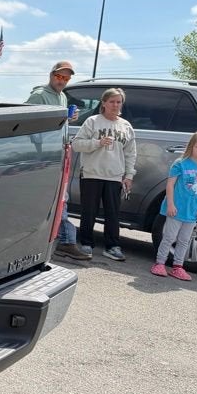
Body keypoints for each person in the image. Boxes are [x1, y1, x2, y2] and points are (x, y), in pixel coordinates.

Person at [26, 61, 89, 261]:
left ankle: (60, 241)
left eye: (66, 78)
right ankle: (62, 241)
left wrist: (68, 119)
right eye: (59, 76)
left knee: (58, 199)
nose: (62, 80)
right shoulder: (39, 95)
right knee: (53, 198)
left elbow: (56, 124)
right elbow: (30, 124)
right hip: (43, 155)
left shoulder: (61, 96)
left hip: (57, 153)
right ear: (51, 74)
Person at [71, 87, 136, 261]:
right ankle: (86, 244)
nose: (115, 105)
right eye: (112, 101)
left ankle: (112, 246)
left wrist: (129, 175)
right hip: (92, 173)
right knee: (89, 212)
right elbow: (76, 144)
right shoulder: (92, 121)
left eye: (119, 101)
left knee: (113, 214)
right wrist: (97, 142)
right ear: (104, 103)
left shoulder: (126, 126)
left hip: (114, 176)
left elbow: (130, 153)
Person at [150, 131, 197, 281]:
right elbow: (170, 185)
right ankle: (160, 263)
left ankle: (178, 267)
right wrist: (170, 204)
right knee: (169, 237)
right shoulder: (180, 164)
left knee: (184, 240)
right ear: (191, 147)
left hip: (192, 212)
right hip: (176, 209)